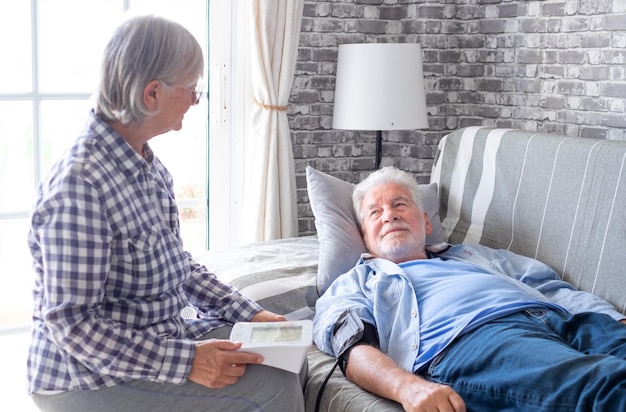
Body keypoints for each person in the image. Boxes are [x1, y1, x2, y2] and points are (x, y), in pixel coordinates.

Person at [27, 14, 305, 412]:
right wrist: (189, 361)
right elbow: (73, 326)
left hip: (156, 338)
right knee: (273, 388)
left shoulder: (147, 167)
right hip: (85, 378)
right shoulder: (79, 186)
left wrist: (253, 314)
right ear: (152, 94)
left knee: (291, 363)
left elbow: (179, 266)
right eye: (192, 88)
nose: (196, 100)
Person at [313, 166, 626, 412]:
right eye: (375, 213)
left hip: (562, 319)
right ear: (363, 234)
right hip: (476, 339)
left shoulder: (475, 253)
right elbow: (351, 346)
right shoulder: (356, 281)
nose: (389, 215)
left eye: (399, 204)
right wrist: (405, 386)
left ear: (425, 221)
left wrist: (613, 320)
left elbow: (550, 286)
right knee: (607, 386)